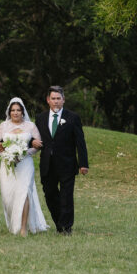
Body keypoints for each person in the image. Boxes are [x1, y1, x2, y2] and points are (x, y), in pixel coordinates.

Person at [35, 85, 88, 234]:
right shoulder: (40, 118)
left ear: (63, 100)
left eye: (59, 98)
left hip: (67, 164)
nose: (56, 101)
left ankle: (66, 227)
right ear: (48, 100)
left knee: (66, 197)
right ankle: (60, 223)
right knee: (49, 194)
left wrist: (83, 164)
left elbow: (80, 142)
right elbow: (34, 138)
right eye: (53, 98)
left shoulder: (73, 117)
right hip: (47, 164)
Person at [0, 97, 47, 236]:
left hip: (25, 164)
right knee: (8, 196)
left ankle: (23, 228)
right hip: (8, 165)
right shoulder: (3, 126)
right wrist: (8, 155)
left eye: (18, 110)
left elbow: (38, 145)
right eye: (13, 110)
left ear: (23, 112)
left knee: (24, 193)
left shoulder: (30, 126)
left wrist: (24, 153)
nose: (15, 113)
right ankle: (14, 223)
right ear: (9, 112)